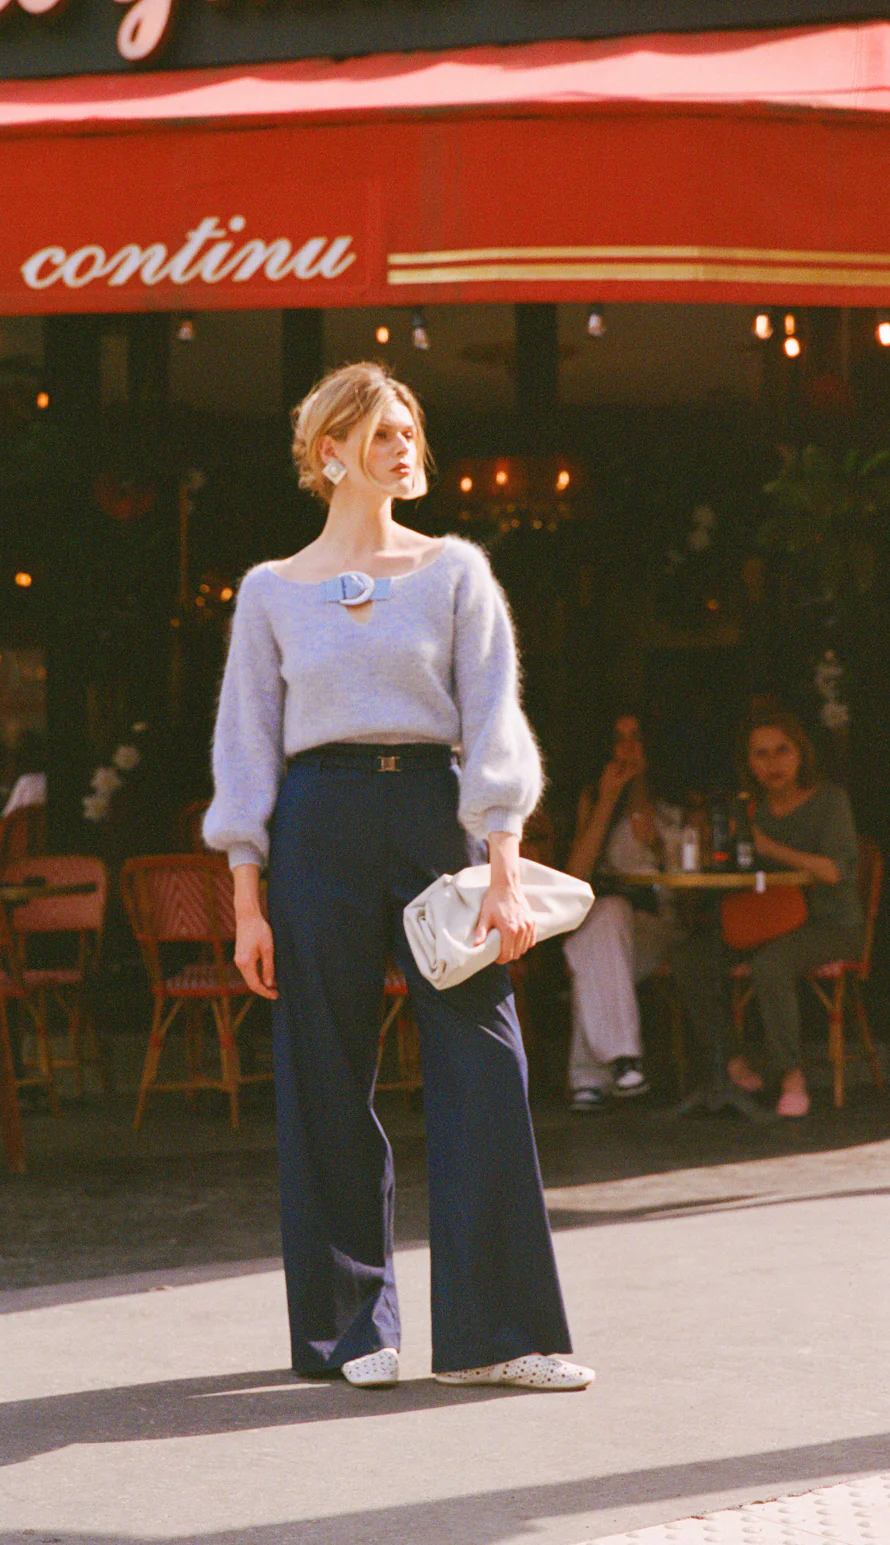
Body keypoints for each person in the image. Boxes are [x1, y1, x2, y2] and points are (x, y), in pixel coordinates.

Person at [203, 362, 593, 1393]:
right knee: (323, 1073)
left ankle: (500, 1337)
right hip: (315, 822)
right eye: (383, 434)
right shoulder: (268, 591)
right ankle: (348, 1336)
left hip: (434, 814)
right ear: (330, 451)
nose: (407, 446)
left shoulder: (455, 570)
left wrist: (504, 868)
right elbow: (246, 749)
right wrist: (246, 898)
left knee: (484, 1065)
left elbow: (492, 722)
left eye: (412, 430)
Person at [672, 708, 862, 1118]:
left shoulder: (830, 801)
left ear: (801, 753)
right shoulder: (748, 808)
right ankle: (732, 1064)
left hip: (830, 925)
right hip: (768, 920)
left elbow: (833, 871)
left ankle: (792, 1077)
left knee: (771, 965)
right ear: (748, 762)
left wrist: (769, 848)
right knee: (690, 957)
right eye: (761, 754)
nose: (773, 764)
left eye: (782, 751)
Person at [562, 712, 683, 1110]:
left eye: (637, 737)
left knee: (591, 955)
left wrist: (659, 849)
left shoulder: (674, 803)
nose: (628, 748)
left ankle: (589, 1076)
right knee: (605, 919)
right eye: (618, 739)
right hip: (607, 919)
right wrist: (608, 798)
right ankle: (624, 1062)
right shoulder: (595, 797)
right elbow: (574, 877)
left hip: (660, 924)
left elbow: (688, 882)